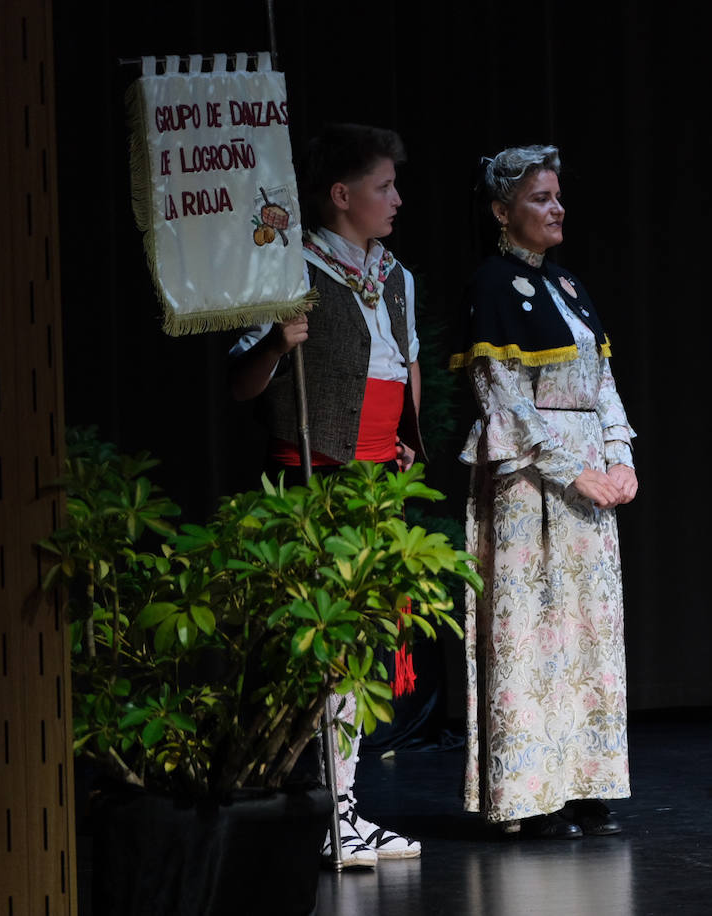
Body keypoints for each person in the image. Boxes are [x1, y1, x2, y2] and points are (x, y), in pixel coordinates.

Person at [228, 123, 423, 865]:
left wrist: (408, 442)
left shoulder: (394, 276)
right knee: (324, 654)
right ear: (341, 196)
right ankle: (323, 812)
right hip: (314, 483)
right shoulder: (289, 271)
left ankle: (344, 808)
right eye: (383, 188)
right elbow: (240, 385)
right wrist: (277, 343)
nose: (396, 200)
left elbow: (395, 374)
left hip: (377, 488)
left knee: (362, 654)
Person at [451, 144, 637, 839]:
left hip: (591, 478)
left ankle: (586, 781)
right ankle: (530, 793)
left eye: (559, 196)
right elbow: (501, 396)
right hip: (533, 480)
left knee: (588, 631)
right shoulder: (493, 284)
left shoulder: (570, 286)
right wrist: (572, 468)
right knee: (534, 630)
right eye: (540, 198)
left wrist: (620, 455)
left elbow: (604, 385)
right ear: (502, 212)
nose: (557, 209)